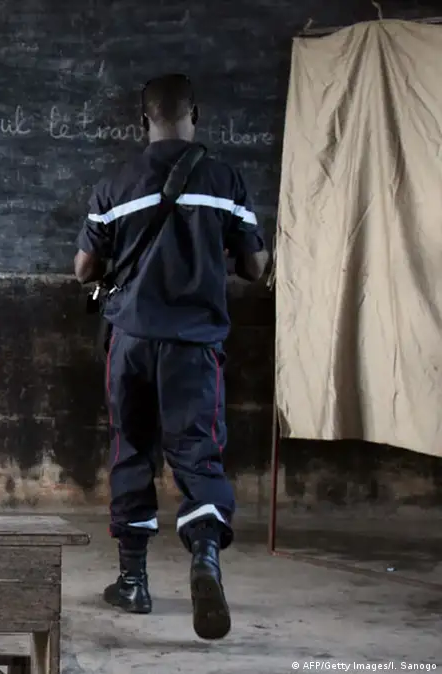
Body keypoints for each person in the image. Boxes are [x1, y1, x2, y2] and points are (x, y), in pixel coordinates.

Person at [72, 73, 269, 641]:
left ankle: (133, 582)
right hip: (194, 344)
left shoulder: (115, 184)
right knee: (198, 454)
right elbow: (256, 267)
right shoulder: (225, 181)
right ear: (195, 115)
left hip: (131, 342)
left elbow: (84, 269)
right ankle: (204, 558)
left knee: (131, 450)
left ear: (143, 121)